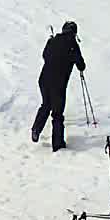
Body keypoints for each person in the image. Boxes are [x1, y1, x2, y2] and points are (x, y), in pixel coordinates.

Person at [30, 21, 86, 151]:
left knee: (46, 105)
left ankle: (36, 129)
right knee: (57, 114)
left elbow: (45, 55)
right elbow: (81, 65)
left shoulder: (53, 41)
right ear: (74, 33)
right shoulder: (72, 44)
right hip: (59, 84)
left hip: (44, 79)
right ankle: (58, 144)